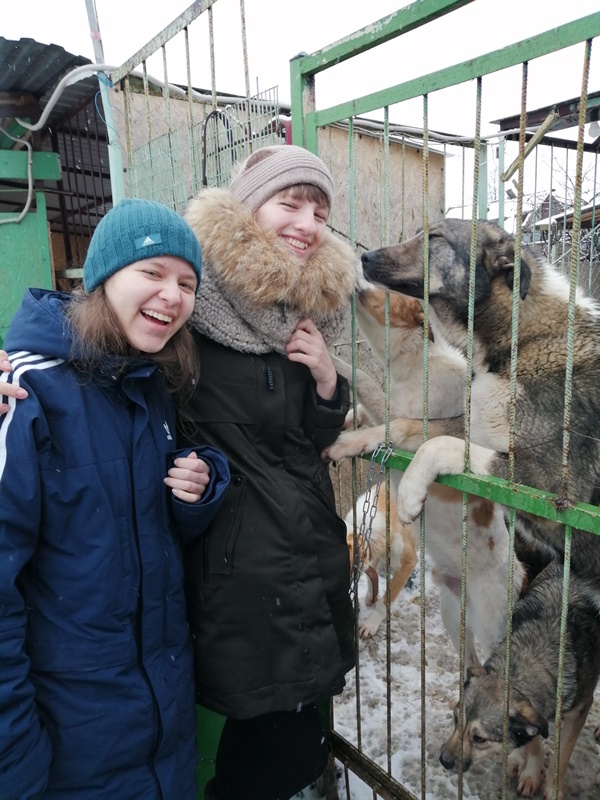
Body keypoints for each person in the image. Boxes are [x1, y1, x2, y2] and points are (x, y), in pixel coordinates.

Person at [0, 198, 230, 800]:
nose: (172, 295)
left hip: (160, 729)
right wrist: (14, 760)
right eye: (152, 272)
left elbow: (132, 527)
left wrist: (198, 488)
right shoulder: (24, 393)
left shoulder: (150, 384)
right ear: (103, 277)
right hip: (69, 740)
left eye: (187, 284)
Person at [181, 144, 358, 800]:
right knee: (275, 751)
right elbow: (118, 353)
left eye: (320, 212)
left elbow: (313, 440)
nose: (307, 224)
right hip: (242, 572)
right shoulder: (192, 301)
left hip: (306, 555)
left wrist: (327, 380)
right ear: (249, 207)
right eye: (290, 203)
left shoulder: (308, 311)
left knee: (290, 741)